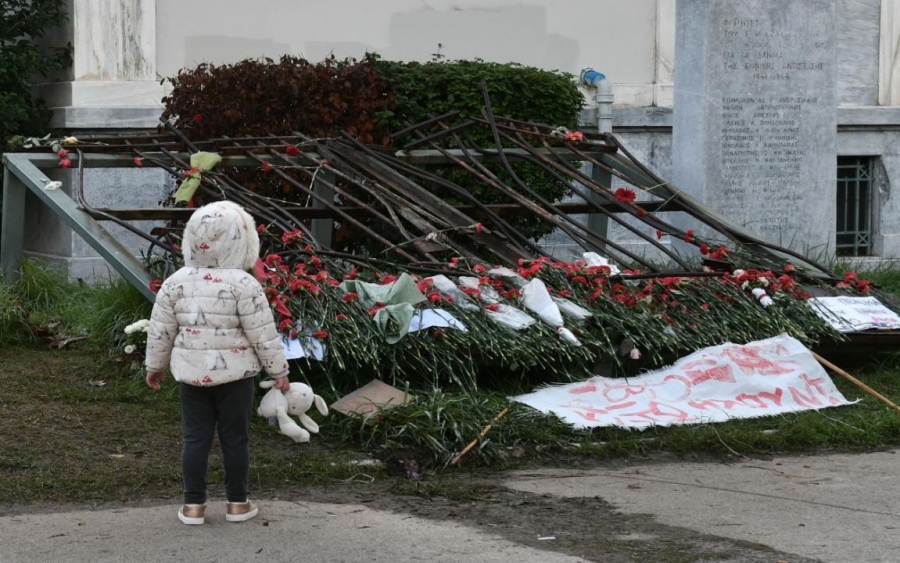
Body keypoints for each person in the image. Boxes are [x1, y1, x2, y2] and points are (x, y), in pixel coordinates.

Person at [144, 200, 291, 525]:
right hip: (236, 378)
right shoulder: (244, 284)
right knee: (235, 438)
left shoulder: (175, 282)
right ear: (243, 240)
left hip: (192, 378)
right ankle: (238, 503)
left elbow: (161, 330)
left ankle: (193, 506)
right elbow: (262, 333)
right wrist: (278, 371)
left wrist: (154, 366)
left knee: (195, 438)